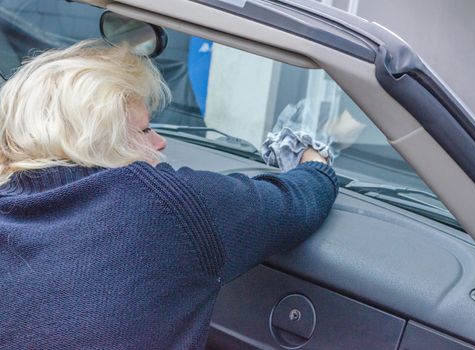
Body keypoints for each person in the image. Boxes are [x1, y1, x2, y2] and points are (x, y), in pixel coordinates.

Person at [0, 40, 338, 349]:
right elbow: (298, 201)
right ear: (99, 141)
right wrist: (312, 156)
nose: (160, 142)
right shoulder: (160, 203)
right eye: (144, 129)